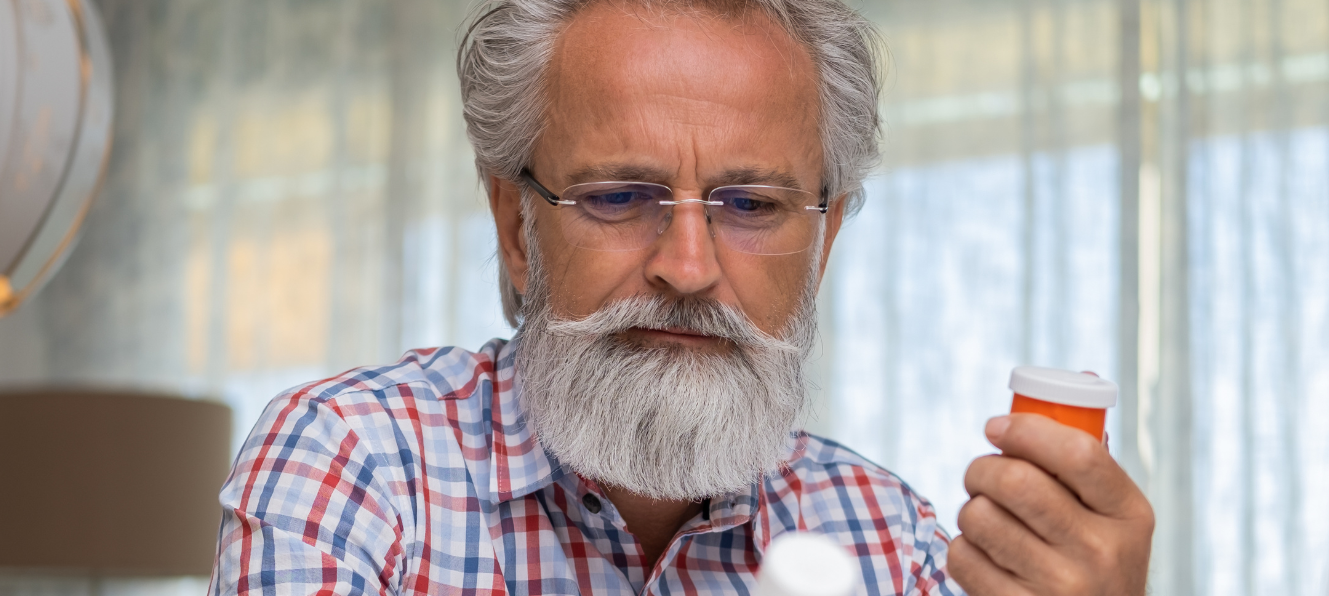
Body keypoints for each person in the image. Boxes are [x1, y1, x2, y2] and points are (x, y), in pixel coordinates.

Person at [209, 0, 1154, 594]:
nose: (689, 266)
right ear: (516, 228)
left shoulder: (889, 539)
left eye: (751, 203)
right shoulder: (353, 468)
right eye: (620, 196)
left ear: (821, 244)